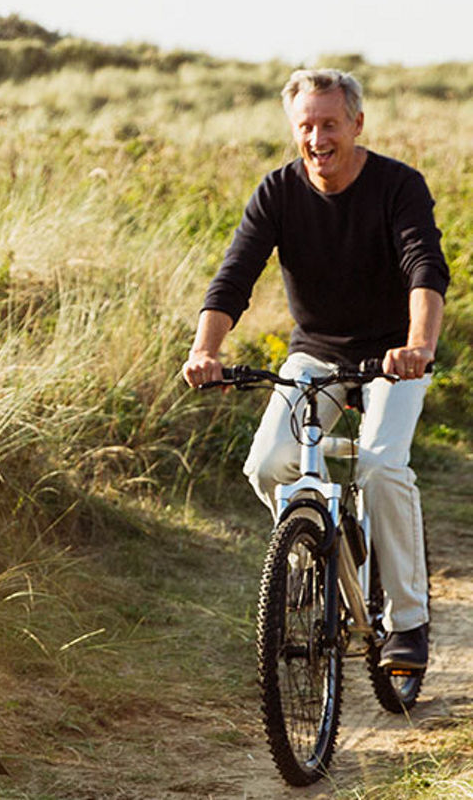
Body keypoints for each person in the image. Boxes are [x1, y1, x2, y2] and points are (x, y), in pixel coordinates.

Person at [181, 68, 448, 671]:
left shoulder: (397, 186)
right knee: (268, 462)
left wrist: (418, 345)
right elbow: (234, 277)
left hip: (393, 356)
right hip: (317, 352)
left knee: (380, 464)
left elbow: (425, 268)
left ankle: (408, 623)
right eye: (306, 125)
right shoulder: (277, 192)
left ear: (356, 123)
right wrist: (206, 351)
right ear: (293, 129)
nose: (318, 136)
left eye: (330, 123)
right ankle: (318, 556)